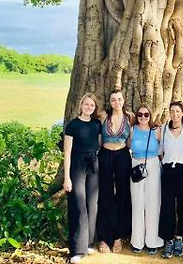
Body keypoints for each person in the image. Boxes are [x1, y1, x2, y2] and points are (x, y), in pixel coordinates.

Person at [63, 93, 102, 264]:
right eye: (86, 104)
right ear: (81, 105)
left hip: (93, 165)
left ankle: (88, 243)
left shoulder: (96, 124)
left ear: (95, 107)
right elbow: (67, 153)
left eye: (92, 105)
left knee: (92, 205)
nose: (89, 107)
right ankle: (76, 250)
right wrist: (67, 178)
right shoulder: (73, 125)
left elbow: (99, 144)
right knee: (78, 206)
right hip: (77, 166)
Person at [97, 89, 132, 253]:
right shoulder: (104, 116)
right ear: (109, 102)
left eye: (119, 99)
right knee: (105, 196)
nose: (116, 102)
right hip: (105, 156)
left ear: (123, 100)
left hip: (123, 157)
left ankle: (118, 236)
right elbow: (98, 139)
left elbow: (132, 141)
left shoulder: (129, 117)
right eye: (113, 100)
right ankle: (104, 237)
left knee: (122, 196)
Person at [159, 101, 183, 259]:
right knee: (167, 205)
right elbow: (160, 151)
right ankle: (168, 239)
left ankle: (180, 238)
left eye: (177, 111)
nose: (175, 114)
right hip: (168, 170)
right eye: (172, 111)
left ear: (182, 113)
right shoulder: (164, 129)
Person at [128, 105, 164, 254]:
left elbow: (162, 148)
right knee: (137, 202)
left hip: (153, 165)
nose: (143, 117)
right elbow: (128, 146)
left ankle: (152, 240)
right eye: (140, 114)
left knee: (153, 203)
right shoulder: (132, 129)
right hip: (136, 165)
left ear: (150, 116)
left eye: (146, 115)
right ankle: (137, 241)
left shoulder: (156, 131)